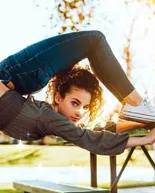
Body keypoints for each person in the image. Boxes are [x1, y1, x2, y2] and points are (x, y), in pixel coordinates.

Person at [0, 30, 155, 123]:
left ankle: (134, 105)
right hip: (15, 73)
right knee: (95, 40)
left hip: (18, 74)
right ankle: (135, 104)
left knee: (94, 42)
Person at [0, 64, 155, 156]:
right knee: (91, 41)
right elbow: (91, 139)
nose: (80, 112)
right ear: (58, 98)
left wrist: (140, 125)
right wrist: (145, 140)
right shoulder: (51, 119)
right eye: (75, 103)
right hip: (6, 99)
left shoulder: (55, 118)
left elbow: (98, 131)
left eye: (85, 107)